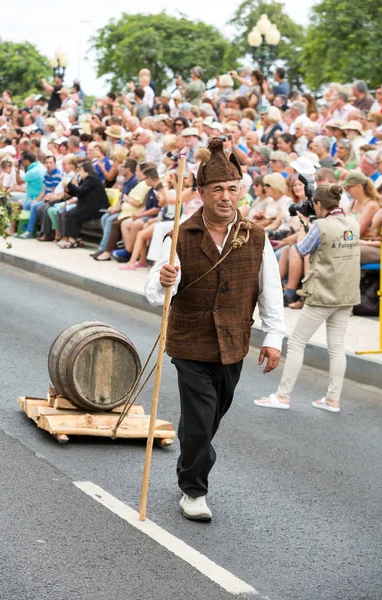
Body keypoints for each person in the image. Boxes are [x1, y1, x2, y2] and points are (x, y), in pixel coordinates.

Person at [145, 138, 285, 521]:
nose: (226, 197)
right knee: (202, 418)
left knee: (208, 418)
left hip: (233, 344)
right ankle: (194, 490)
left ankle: (190, 458)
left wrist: (274, 339)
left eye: (232, 189)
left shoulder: (256, 236)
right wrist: (164, 278)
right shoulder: (178, 233)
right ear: (202, 193)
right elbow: (153, 293)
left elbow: (270, 290)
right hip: (189, 342)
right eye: (218, 189)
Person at [255, 184, 360, 413]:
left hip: (323, 293)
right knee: (337, 348)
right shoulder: (353, 222)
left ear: (319, 204)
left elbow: (301, 249)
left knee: (296, 343)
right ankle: (333, 400)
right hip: (348, 294)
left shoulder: (321, 226)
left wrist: (305, 224)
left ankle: (282, 396)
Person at [61, 160, 109, 249]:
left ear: (84, 170)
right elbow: (77, 192)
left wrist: (69, 184)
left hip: (96, 208)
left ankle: (72, 240)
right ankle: (75, 238)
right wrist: (68, 188)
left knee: (73, 215)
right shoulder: (85, 180)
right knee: (69, 213)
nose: (79, 173)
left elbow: (80, 191)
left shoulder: (92, 179)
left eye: (80, 171)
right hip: (88, 206)